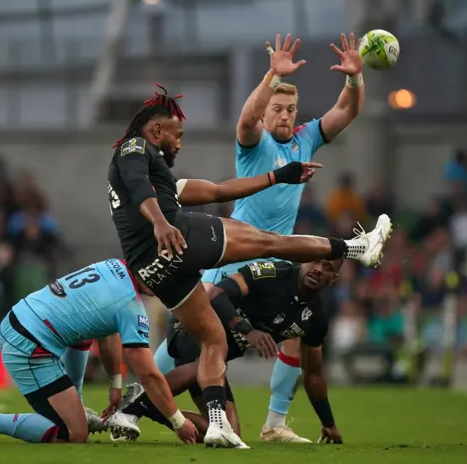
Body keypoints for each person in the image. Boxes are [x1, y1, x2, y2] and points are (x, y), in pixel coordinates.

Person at [108, 76, 389, 447]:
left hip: (157, 266)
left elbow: (218, 190)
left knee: (213, 341)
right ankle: (354, 249)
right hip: (175, 237)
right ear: (157, 128)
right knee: (268, 243)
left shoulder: (161, 176)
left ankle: (209, 422)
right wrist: (160, 222)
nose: (180, 141)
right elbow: (140, 188)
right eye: (177, 134)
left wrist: (277, 177)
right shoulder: (134, 149)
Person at [153, 32, 367, 443]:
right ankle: (144, 390)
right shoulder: (255, 144)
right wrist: (272, 76)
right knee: (193, 339)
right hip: (232, 258)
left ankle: (275, 422)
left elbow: (345, 111)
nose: (285, 114)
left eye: (290, 108)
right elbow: (246, 120)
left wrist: (355, 79)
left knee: (297, 329)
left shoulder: (305, 139)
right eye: (278, 108)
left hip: (279, 261)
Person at [0, 259, 199, 445]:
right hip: (28, 345)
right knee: (75, 434)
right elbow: (149, 374)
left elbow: (104, 332)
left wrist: (115, 385)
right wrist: (177, 421)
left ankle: (75, 407)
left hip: (22, 321)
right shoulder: (130, 307)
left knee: (83, 337)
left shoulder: (114, 266)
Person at [111, 258, 345, 445]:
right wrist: (247, 330)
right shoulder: (274, 272)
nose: (317, 269)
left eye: (327, 268)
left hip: (216, 358)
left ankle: (149, 406)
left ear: (334, 278)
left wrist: (329, 423)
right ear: (304, 260)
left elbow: (313, 374)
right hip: (192, 324)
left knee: (230, 434)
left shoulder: (315, 318)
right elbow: (216, 294)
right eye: (314, 261)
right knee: (209, 359)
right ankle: (140, 403)